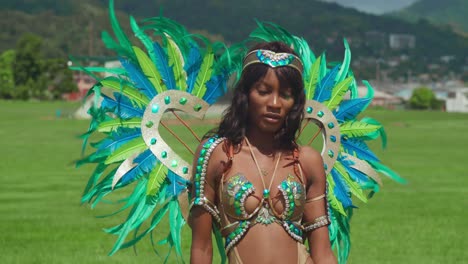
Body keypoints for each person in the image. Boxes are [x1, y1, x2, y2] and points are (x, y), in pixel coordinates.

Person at [189, 41, 338, 264]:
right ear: (245, 94)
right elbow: (201, 249)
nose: (275, 103)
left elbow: (323, 253)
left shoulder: (307, 160)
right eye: (264, 91)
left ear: (295, 102)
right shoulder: (216, 153)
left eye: (286, 95)